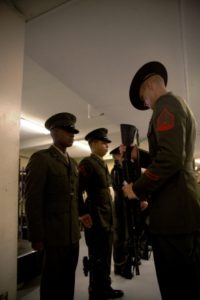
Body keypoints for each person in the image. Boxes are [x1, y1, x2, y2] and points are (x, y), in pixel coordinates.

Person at [122, 61, 200, 300]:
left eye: (143, 98)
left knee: (175, 284)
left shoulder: (166, 106)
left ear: (150, 87)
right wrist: (140, 155)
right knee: (187, 280)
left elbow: (170, 159)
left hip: (173, 212)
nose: (146, 103)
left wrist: (136, 188)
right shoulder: (178, 105)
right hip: (181, 209)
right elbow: (172, 154)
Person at [25, 112, 80, 300]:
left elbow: (73, 198)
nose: (72, 134)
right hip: (53, 235)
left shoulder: (72, 163)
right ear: (54, 132)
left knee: (68, 281)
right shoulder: (41, 159)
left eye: (73, 131)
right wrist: (37, 236)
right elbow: (33, 200)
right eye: (67, 130)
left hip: (72, 234)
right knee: (52, 283)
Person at [78, 128, 124, 300]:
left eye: (107, 143)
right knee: (97, 257)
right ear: (93, 144)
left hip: (106, 218)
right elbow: (77, 191)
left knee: (105, 257)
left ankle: (105, 286)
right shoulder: (87, 163)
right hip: (96, 219)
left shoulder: (101, 163)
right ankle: (96, 291)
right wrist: (83, 214)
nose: (107, 145)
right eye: (103, 142)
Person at [110, 146, 133, 279]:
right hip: (119, 205)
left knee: (126, 235)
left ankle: (125, 264)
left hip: (125, 205)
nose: (123, 156)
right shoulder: (116, 170)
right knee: (120, 237)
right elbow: (119, 187)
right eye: (121, 155)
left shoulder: (124, 169)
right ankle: (120, 266)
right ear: (117, 157)